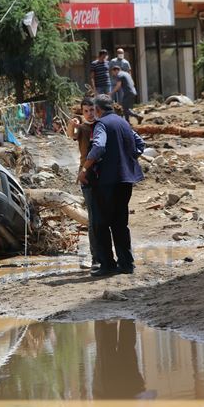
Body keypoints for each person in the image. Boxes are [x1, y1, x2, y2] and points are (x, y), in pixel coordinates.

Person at [77, 94, 145, 277]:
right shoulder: (124, 123)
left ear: (98, 110)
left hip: (106, 182)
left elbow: (98, 147)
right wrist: (124, 159)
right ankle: (126, 264)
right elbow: (140, 144)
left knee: (100, 223)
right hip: (126, 180)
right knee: (120, 223)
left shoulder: (102, 125)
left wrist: (85, 169)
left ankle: (107, 264)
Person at [67, 98, 100, 272]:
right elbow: (71, 134)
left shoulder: (102, 126)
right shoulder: (84, 129)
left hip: (103, 175)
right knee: (94, 218)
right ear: (82, 112)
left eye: (92, 110)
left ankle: (106, 255)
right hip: (86, 175)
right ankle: (96, 257)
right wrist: (71, 124)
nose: (90, 113)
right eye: (86, 111)